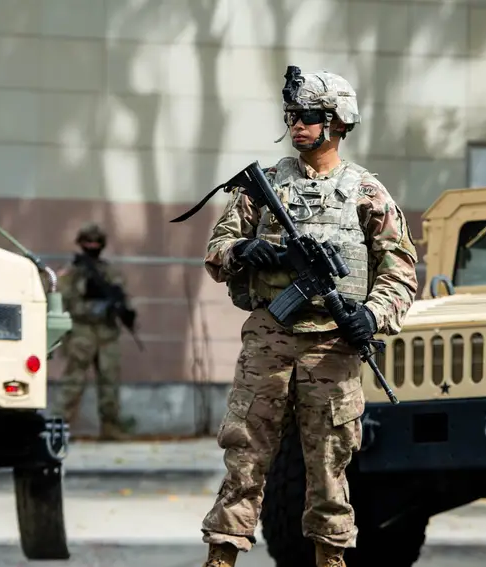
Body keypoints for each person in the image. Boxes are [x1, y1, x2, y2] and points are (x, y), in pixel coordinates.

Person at [198, 67, 419, 567]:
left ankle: (331, 560)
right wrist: (244, 250)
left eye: (311, 117)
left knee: (329, 468)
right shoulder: (263, 187)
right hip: (269, 340)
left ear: (338, 123)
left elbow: (401, 272)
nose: (298, 125)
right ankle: (221, 557)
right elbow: (216, 252)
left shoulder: (367, 193)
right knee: (244, 460)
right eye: (292, 116)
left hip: (332, 349)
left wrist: (372, 316)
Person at [57, 222, 138, 441]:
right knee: (73, 382)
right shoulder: (72, 272)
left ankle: (110, 427)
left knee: (110, 382)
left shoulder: (110, 272)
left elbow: (121, 296)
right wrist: (91, 307)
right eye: (88, 242)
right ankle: (59, 428)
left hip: (107, 333)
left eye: (96, 242)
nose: (93, 245)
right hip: (81, 332)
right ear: (81, 244)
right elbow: (65, 301)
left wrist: (124, 310)